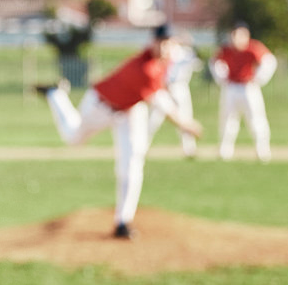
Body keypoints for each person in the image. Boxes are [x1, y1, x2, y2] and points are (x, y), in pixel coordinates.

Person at [35, 25, 203, 239]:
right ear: (152, 42)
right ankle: (55, 95)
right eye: (161, 41)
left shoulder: (170, 56)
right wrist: (186, 124)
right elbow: (163, 105)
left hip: (131, 110)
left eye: (169, 42)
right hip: (101, 105)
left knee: (133, 160)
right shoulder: (144, 68)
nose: (164, 46)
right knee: (73, 138)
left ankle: (123, 222)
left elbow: (187, 55)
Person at [212, 22, 276, 162]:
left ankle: (262, 150)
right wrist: (221, 77)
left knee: (256, 119)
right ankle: (225, 150)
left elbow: (269, 61)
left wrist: (259, 78)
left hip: (248, 87)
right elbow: (215, 63)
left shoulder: (253, 48)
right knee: (228, 119)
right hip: (232, 87)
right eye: (234, 34)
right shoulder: (227, 49)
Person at [147, 29, 202, 158]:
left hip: (180, 87)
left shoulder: (186, 53)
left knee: (185, 117)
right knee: (154, 119)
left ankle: (189, 149)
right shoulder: (168, 52)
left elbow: (198, 60)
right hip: (164, 87)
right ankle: (143, 146)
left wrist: (190, 43)